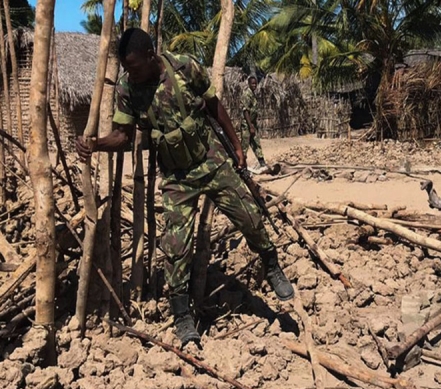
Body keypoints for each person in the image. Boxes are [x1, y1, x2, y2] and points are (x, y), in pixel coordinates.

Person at [76, 28, 294, 347]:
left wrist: (236, 147)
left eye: (134, 65)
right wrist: (95, 144)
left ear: (152, 56)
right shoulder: (127, 88)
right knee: (176, 247)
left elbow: (214, 106)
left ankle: (272, 265)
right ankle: (182, 317)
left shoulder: (184, 67)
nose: (129, 72)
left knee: (249, 217)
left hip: (211, 159)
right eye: (126, 66)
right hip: (177, 177)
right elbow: (123, 135)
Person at [240, 76, 269, 173]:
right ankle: (242, 166)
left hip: (252, 124)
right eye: (252, 83)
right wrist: (250, 126)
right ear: (248, 83)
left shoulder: (252, 94)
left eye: (255, 83)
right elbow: (245, 111)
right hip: (247, 125)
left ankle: (262, 163)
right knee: (244, 146)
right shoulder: (246, 94)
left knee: (256, 143)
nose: (254, 85)